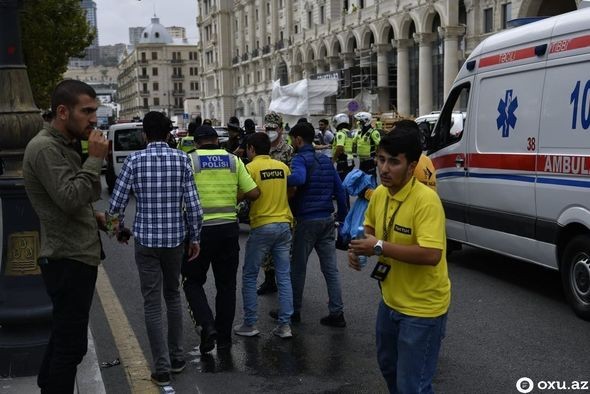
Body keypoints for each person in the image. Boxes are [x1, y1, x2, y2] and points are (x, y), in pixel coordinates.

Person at [348, 120, 450, 394]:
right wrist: (358, 250)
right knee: (388, 367)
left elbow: (431, 254)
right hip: (390, 302)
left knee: (412, 386)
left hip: (422, 310)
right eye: (380, 160)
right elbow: (368, 228)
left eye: (393, 162)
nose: (383, 168)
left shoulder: (426, 201)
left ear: (412, 165)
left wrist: (378, 247)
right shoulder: (380, 193)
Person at [23, 80, 109, 394]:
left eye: (95, 111)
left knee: (63, 340)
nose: (94, 119)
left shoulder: (63, 145)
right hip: (67, 259)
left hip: (76, 255)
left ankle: (47, 386)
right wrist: (96, 158)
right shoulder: (45, 148)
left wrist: (96, 217)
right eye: (86, 111)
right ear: (62, 111)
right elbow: (70, 197)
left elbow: (73, 200)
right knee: (71, 349)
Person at [108, 111, 203, 387]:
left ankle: (161, 368)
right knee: (173, 295)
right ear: (169, 134)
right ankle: (176, 358)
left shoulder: (134, 161)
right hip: (175, 240)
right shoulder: (182, 159)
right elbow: (195, 208)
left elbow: (115, 205)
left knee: (152, 302)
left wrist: (119, 230)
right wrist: (194, 237)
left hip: (146, 242)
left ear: (144, 135)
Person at [182, 125, 260, 353]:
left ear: (196, 143)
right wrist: (233, 198)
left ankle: (206, 326)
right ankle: (224, 337)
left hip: (198, 232)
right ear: (217, 140)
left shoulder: (189, 161)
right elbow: (254, 192)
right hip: (228, 230)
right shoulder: (232, 160)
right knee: (226, 285)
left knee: (192, 281)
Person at [272, 121, 348, 326]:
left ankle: (293, 311)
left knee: (297, 268)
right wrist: (341, 218)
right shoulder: (324, 160)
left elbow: (298, 178)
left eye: (291, 139)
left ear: (298, 140)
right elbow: (340, 191)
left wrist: (280, 178)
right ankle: (337, 313)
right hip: (327, 220)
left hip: (307, 220)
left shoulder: (298, 159)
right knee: (330, 269)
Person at [234, 132, 294, 338]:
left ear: (251, 149)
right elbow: (292, 189)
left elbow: (240, 194)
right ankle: (285, 326)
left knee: (250, 275)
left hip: (262, 225)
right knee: (284, 277)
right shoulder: (282, 167)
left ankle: (250, 324)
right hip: (284, 224)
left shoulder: (249, 168)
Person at [256, 112, 294, 296]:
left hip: (282, 204)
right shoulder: (262, 149)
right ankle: (269, 280)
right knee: (265, 250)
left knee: (283, 250)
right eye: (268, 128)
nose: (271, 131)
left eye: (274, 128)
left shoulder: (288, 150)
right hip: (263, 203)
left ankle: (284, 282)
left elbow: (292, 179)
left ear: (280, 128)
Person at [332, 113, 355, 182]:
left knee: (342, 182)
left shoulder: (340, 133)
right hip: (350, 160)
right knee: (348, 181)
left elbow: (340, 147)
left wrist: (333, 160)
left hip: (343, 161)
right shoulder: (348, 133)